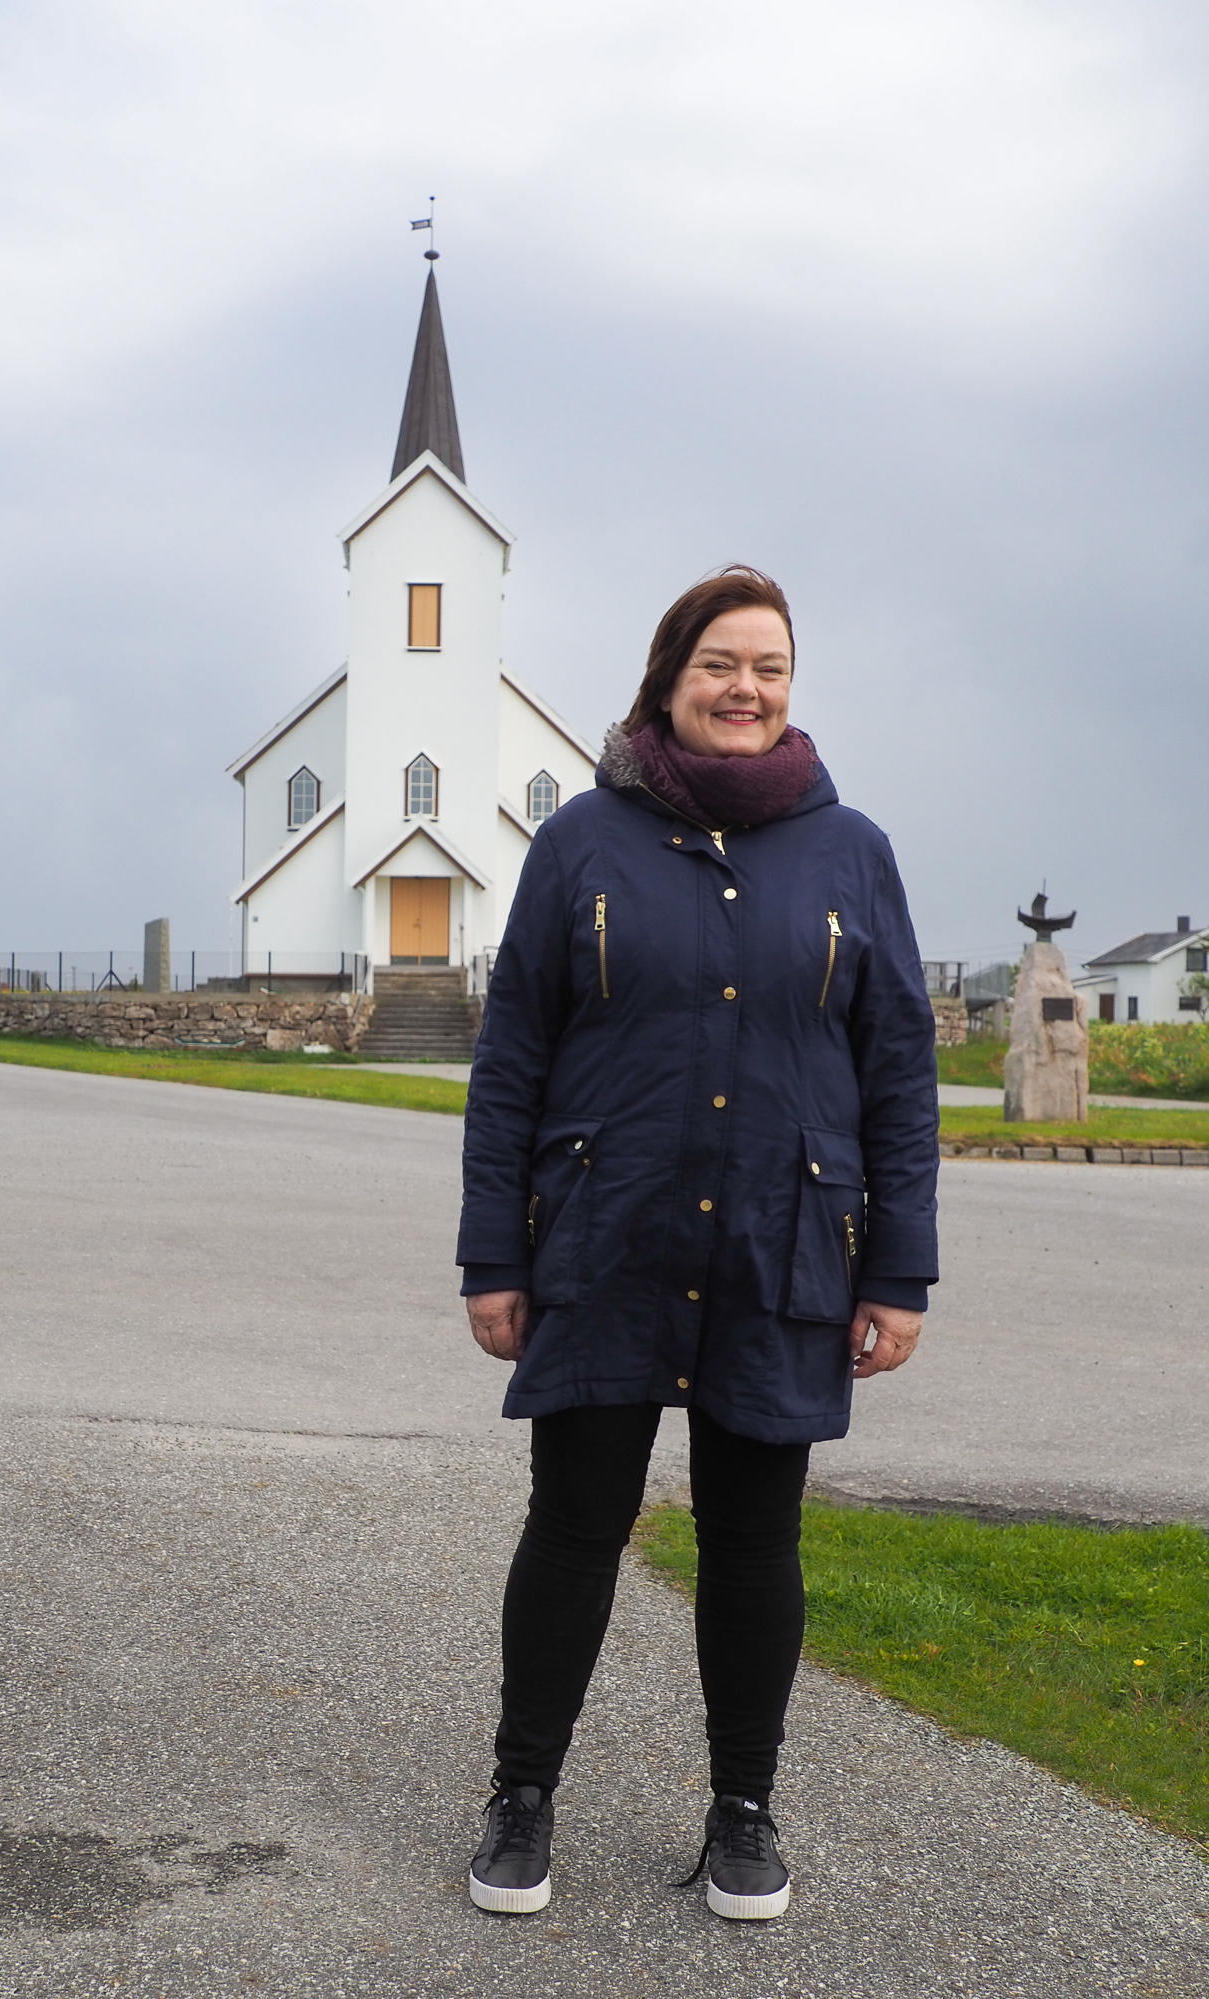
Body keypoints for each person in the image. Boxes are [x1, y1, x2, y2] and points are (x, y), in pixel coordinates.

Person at [456, 565, 938, 1922]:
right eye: (721, 663)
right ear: (670, 676)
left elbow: (896, 1071)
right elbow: (512, 1065)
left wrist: (897, 1271)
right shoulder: (583, 846)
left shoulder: (852, 854)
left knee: (752, 1538)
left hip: (785, 1249)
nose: (747, 688)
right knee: (575, 1525)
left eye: (770, 667)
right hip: (606, 1241)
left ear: (792, 686)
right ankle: (521, 1798)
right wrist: (494, 1255)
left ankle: (743, 1813)